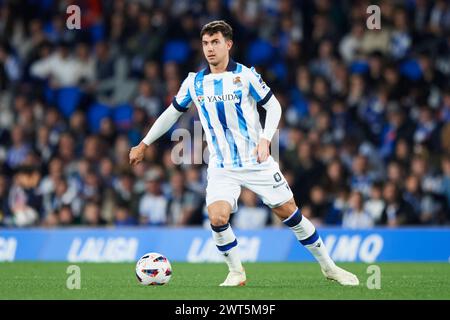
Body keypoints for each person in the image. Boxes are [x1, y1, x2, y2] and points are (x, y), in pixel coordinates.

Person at [129, 20, 359, 286]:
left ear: (228, 44)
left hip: (256, 161)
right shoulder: (194, 83)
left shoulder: (246, 76)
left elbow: (274, 108)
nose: (210, 49)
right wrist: (144, 143)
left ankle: (330, 268)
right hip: (221, 165)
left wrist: (265, 139)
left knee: (290, 214)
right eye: (205, 43)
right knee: (217, 217)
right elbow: (172, 113)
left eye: (215, 42)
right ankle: (236, 272)